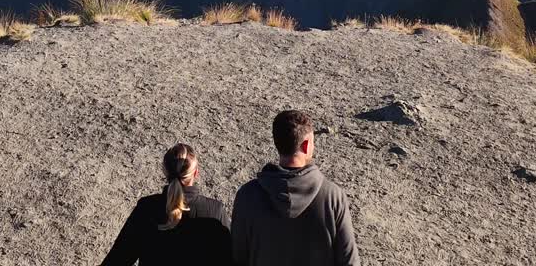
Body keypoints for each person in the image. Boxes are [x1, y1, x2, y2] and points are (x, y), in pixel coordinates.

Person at [231, 110, 360, 266]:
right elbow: (349, 261)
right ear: (306, 145)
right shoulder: (333, 197)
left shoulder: (247, 195)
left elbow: (237, 256)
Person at [101, 143, 232, 266]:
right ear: (196, 173)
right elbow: (229, 260)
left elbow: (117, 260)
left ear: (165, 171)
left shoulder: (146, 208)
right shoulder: (215, 211)